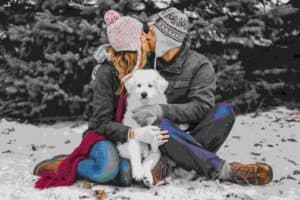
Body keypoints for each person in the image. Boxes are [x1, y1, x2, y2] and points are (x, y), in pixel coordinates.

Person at [34, 8, 273, 186]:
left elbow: (201, 108)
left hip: (179, 134)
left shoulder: (200, 65)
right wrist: (106, 54)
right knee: (132, 160)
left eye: (150, 33)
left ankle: (167, 165)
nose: (144, 36)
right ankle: (226, 170)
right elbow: (122, 50)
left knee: (223, 112)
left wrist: (162, 110)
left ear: (165, 40)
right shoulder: (142, 57)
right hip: (144, 137)